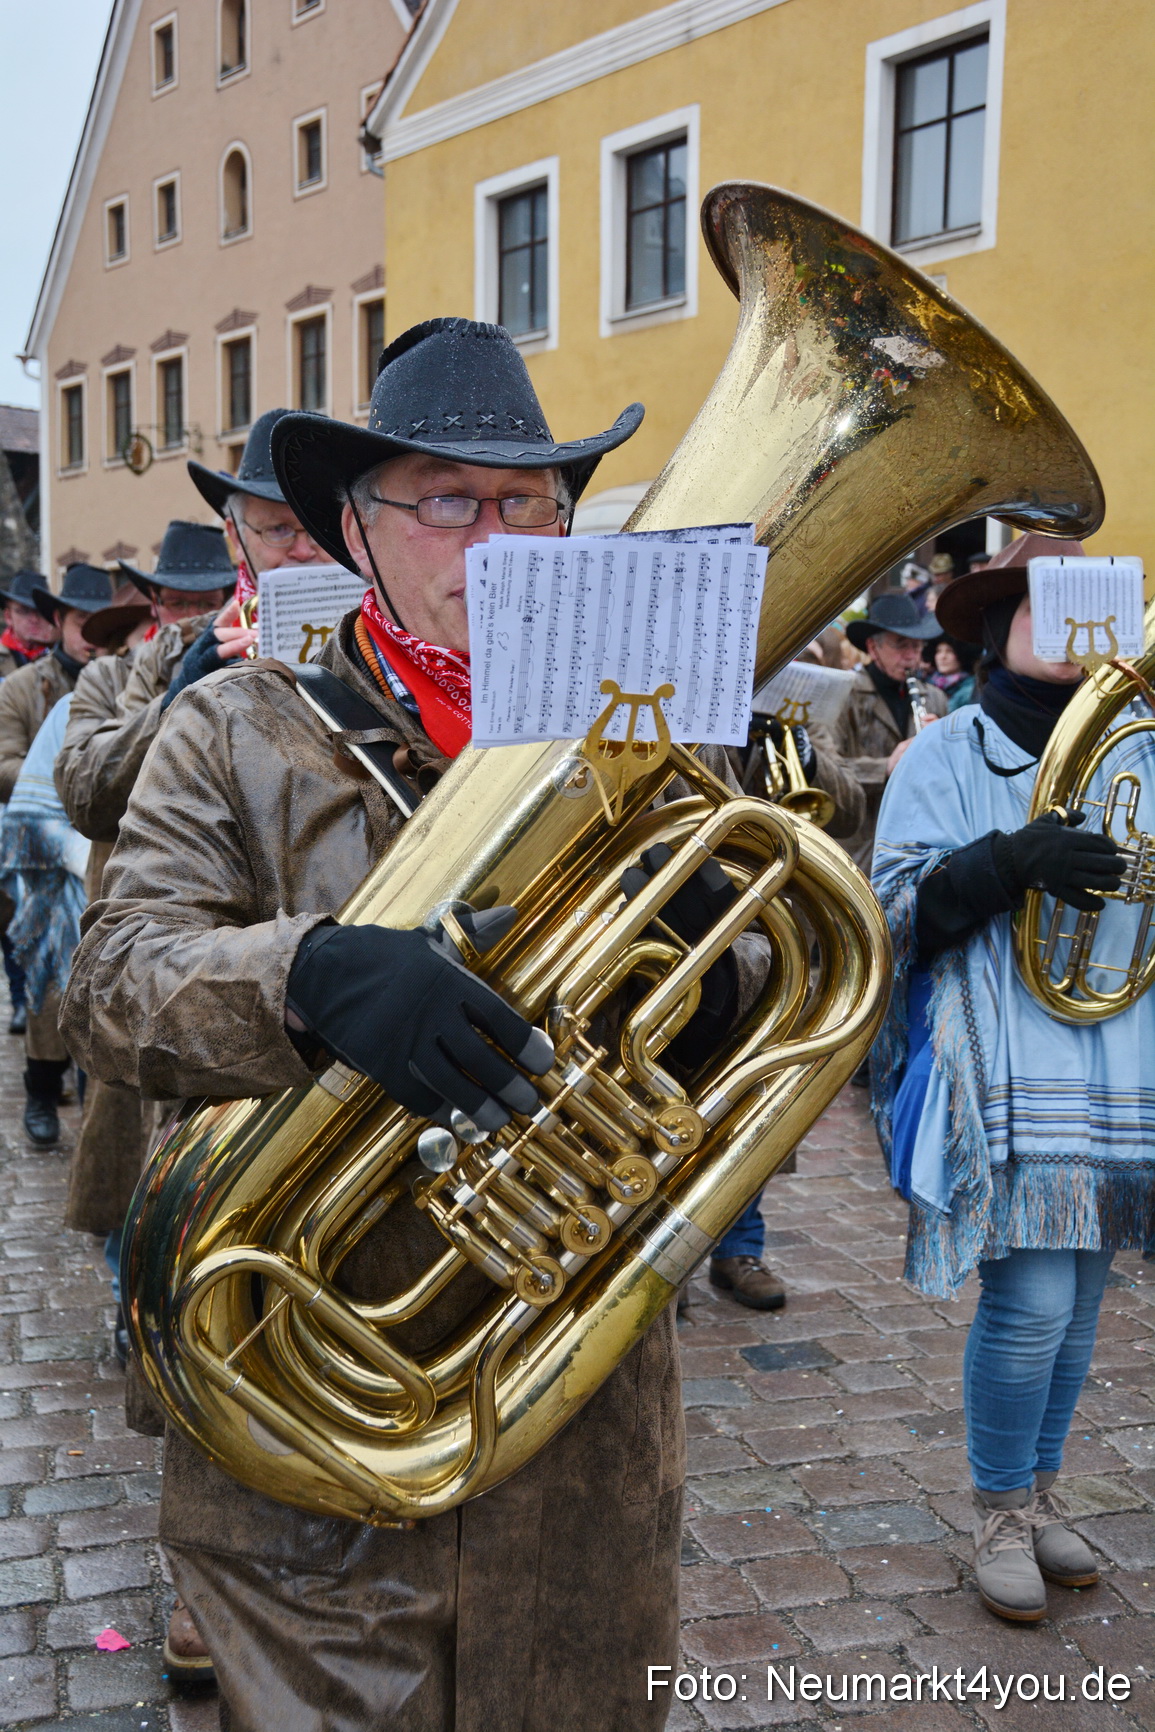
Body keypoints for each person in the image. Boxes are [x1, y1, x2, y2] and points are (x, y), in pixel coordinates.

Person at [63, 317, 771, 1731]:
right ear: (358, 531)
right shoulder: (237, 726)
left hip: (575, 1404)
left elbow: (771, 962)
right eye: (446, 502)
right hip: (310, 1400)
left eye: (526, 502)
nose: (494, 538)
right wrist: (311, 976)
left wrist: (717, 979)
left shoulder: (638, 720)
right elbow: (113, 980)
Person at [869, 532, 1155, 1624]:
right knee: (1032, 1300)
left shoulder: (1144, 752)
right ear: (995, 627)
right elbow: (890, 916)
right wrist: (1007, 862)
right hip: (1004, 1050)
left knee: (1080, 1303)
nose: (1076, 630)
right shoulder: (944, 752)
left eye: (1093, 608)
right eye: (1047, 606)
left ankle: (1037, 1495)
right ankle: (996, 1508)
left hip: (1117, 1047)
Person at [0, 563, 110, 1143]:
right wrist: (60, 774)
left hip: (102, 846)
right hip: (41, 845)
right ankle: (41, 1092)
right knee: (48, 974)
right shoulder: (21, 687)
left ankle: (94, 1092)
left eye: (102, 622)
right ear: (61, 621)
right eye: (81, 621)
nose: (91, 633)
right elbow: (3, 763)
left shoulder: (122, 680)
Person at [830, 592, 947, 872]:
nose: (911, 656)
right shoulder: (844, 694)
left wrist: (945, 748)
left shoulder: (935, 698)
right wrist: (884, 767)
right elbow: (828, 772)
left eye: (917, 646)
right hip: (862, 848)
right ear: (873, 647)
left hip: (919, 846)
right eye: (901, 645)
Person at [0, 568, 58, 677]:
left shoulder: (64, 656)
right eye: (24, 611)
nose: (34, 619)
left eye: (41, 611)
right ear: (8, 617)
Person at [926, 632, 978, 710]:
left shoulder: (971, 689)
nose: (943, 656)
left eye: (949, 651)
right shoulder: (928, 683)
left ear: (962, 654)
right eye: (938, 651)